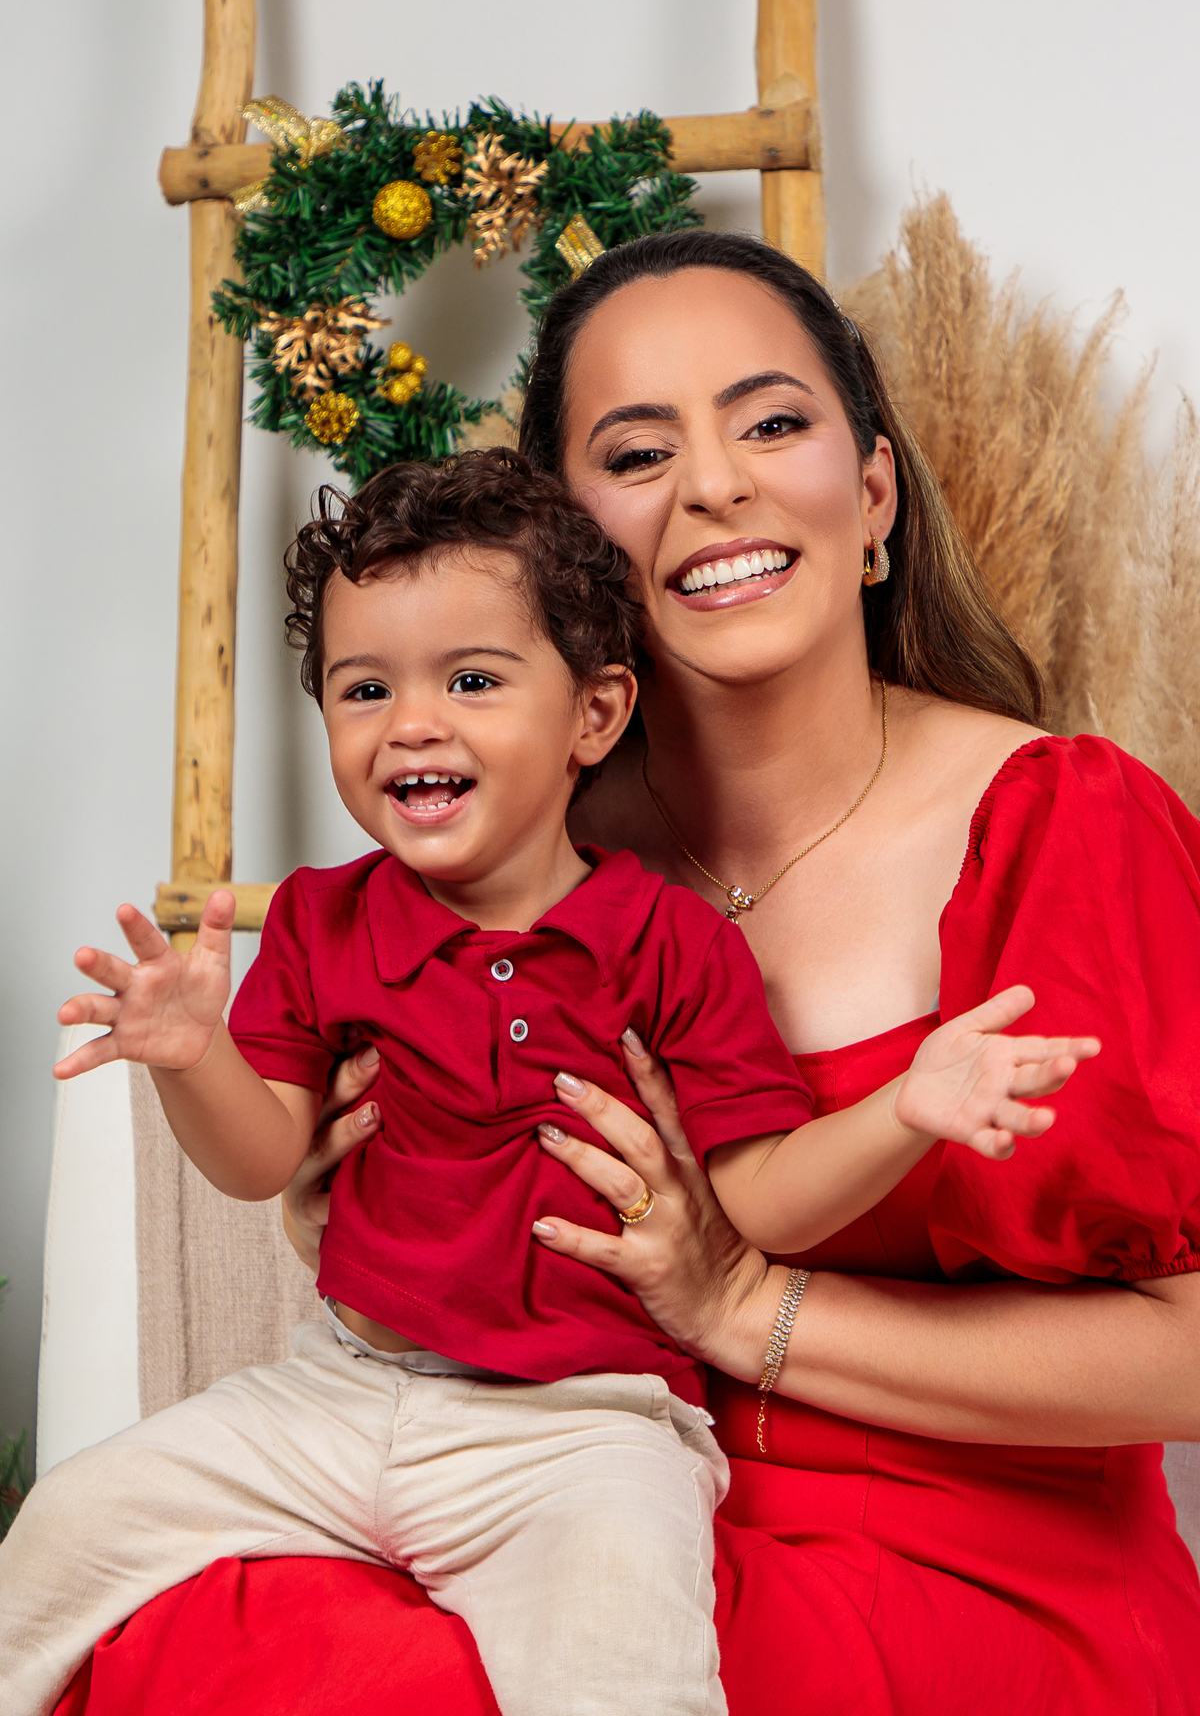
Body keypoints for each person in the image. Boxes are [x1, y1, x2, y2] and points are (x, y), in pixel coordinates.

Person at [49, 231, 1200, 1716]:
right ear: (567, 554)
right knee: (215, 1643)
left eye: (771, 422)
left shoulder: (1064, 824)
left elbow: (1185, 1356)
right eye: (639, 451)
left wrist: (745, 1310)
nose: (712, 485)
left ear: (872, 497)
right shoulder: (501, 849)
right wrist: (360, 1204)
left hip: (958, 1560)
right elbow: (323, 1132)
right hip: (529, 1495)